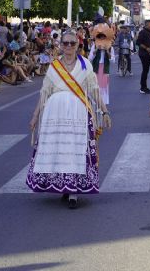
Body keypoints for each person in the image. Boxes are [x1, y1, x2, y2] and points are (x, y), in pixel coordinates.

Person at [28, 30, 111, 209]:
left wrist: (105, 112)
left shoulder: (85, 65)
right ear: (60, 45)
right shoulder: (54, 66)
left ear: (78, 45)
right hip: (54, 115)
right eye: (65, 43)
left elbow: (95, 91)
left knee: (76, 150)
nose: (68, 47)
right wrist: (35, 116)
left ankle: (74, 191)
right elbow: (44, 93)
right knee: (60, 150)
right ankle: (63, 186)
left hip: (78, 114)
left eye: (72, 43)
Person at [88, 35, 115, 105]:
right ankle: (95, 103)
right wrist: (96, 50)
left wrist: (107, 51)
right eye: (100, 40)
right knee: (95, 86)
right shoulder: (94, 46)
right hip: (96, 68)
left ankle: (103, 104)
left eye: (104, 40)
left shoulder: (110, 48)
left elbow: (113, 61)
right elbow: (90, 58)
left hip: (104, 69)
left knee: (104, 87)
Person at [136, 20, 150, 94]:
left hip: (147, 54)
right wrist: (147, 48)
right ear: (146, 25)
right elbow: (138, 42)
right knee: (145, 71)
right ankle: (143, 88)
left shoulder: (148, 32)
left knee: (146, 71)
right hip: (144, 54)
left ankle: (144, 87)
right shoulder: (143, 32)